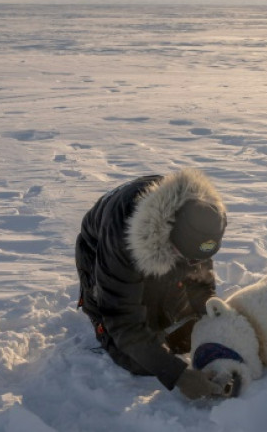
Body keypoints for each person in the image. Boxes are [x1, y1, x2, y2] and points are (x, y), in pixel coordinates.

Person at [75, 168, 228, 400]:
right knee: (136, 360)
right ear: (169, 239)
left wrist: (212, 321)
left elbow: (201, 282)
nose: (196, 264)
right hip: (99, 254)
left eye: (199, 258)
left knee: (184, 336)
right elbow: (122, 320)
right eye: (189, 258)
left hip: (158, 244)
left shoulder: (200, 221)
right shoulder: (121, 240)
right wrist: (178, 375)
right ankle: (96, 315)